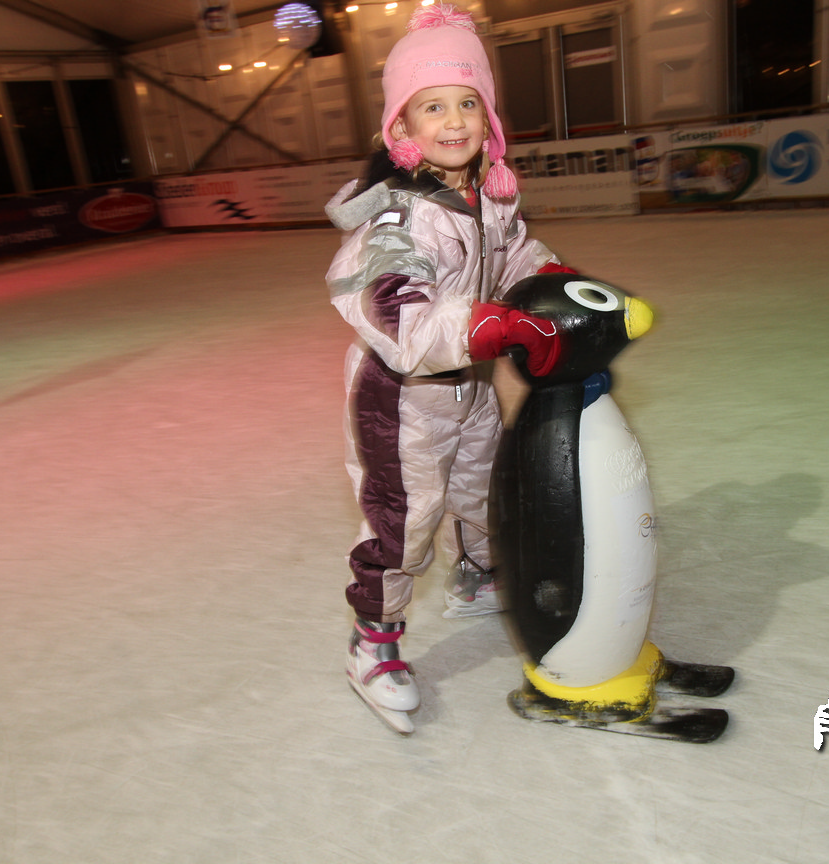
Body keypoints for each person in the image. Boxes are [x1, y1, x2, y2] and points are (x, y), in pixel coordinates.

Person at [324, 2, 572, 730]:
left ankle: (475, 577)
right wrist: (494, 324)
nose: (455, 121)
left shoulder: (485, 198)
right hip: (401, 398)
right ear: (401, 128)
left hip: (470, 384)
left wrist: (554, 284)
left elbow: (514, 254)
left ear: (488, 120)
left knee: (482, 489)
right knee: (404, 521)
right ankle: (372, 642)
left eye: (468, 103)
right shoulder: (399, 218)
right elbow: (396, 316)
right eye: (432, 106)